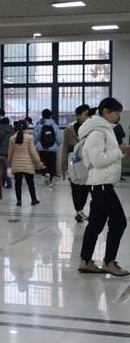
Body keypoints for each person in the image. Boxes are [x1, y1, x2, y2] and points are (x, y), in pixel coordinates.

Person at [78, 97, 130, 276]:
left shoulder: (105, 130)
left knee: (95, 223)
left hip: (101, 184)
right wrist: (120, 151)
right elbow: (97, 160)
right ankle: (109, 262)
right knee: (119, 222)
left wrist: (119, 152)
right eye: (116, 113)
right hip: (101, 185)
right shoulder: (97, 133)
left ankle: (85, 261)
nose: (118, 116)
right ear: (106, 111)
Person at [62, 104, 91, 222]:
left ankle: (80, 210)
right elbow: (65, 148)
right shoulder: (69, 130)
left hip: (87, 162)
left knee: (85, 188)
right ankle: (78, 210)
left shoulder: (91, 129)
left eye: (89, 114)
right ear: (78, 115)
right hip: (72, 161)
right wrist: (63, 166)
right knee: (75, 187)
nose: (87, 116)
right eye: (85, 114)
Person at [8, 121, 45, 207]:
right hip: (28, 165)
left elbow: (10, 152)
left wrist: (9, 164)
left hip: (16, 164)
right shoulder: (29, 137)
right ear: (26, 127)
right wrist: (39, 163)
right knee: (30, 183)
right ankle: (33, 199)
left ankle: (19, 201)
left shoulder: (12, 138)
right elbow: (33, 152)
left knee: (18, 183)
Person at [33, 109, 62, 187]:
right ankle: (51, 181)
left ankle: (45, 175)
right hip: (52, 149)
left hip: (42, 149)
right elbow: (59, 139)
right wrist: (56, 145)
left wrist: (36, 144)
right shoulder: (55, 125)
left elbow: (35, 137)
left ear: (42, 115)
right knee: (52, 164)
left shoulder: (39, 125)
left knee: (43, 163)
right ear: (50, 115)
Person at [0, 117, 15, 188]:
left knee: (0, 168)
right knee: (6, 168)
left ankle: (7, 183)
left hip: (0, 152)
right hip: (9, 151)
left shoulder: (1, 131)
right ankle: (3, 183)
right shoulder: (12, 130)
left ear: (2, 123)